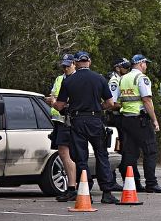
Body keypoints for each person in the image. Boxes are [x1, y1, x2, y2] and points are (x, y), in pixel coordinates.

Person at [53, 51, 122, 204]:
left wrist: (52, 102)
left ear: (76, 63)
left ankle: (85, 191)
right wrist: (99, 107)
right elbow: (111, 103)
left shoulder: (69, 81)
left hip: (77, 121)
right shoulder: (99, 78)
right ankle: (107, 192)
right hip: (96, 120)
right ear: (89, 62)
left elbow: (59, 105)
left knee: (81, 157)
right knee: (101, 155)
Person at [117, 54, 161, 193]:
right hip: (140, 119)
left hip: (126, 119)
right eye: (145, 63)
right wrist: (154, 120)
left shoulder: (123, 78)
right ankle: (151, 183)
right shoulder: (141, 78)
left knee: (130, 153)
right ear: (141, 63)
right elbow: (147, 100)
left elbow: (118, 101)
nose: (146, 66)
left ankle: (133, 182)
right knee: (150, 150)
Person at [45, 54, 78, 202]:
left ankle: (72, 187)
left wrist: (56, 102)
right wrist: (52, 101)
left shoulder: (77, 79)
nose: (65, 68)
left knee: (66, 153)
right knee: (64, 153)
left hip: (69, 120)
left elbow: (71, 100)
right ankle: (72, 186)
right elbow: (53, 95)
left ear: (74, 64)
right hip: (58, 120)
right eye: (63, 66)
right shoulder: (60, 79)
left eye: (68, 65)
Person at [107, 57, 131, 180]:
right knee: (117, 149)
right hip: (115, 119)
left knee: (123, 149)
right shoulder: (114, 82)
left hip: (121, 118)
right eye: (125, 67)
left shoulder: (122, 80)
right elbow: (112, 104)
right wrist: (127, 105)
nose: (127, 70)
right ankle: (112, 178)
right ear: (117, 68)